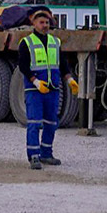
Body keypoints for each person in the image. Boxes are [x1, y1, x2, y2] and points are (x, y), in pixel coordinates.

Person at [18, 10, 78, 169]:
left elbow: (62, 63)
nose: (45, 25)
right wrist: (35, 82)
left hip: (52, 89)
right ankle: (34, 156)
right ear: (34, 24)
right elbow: (23, 65)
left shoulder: (55, 42)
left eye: (47, 23)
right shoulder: (26, 42)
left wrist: (69, 78)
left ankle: (46, 153)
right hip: (35, 90)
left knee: (51, 123)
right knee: (35, 123)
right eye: (41, 23)